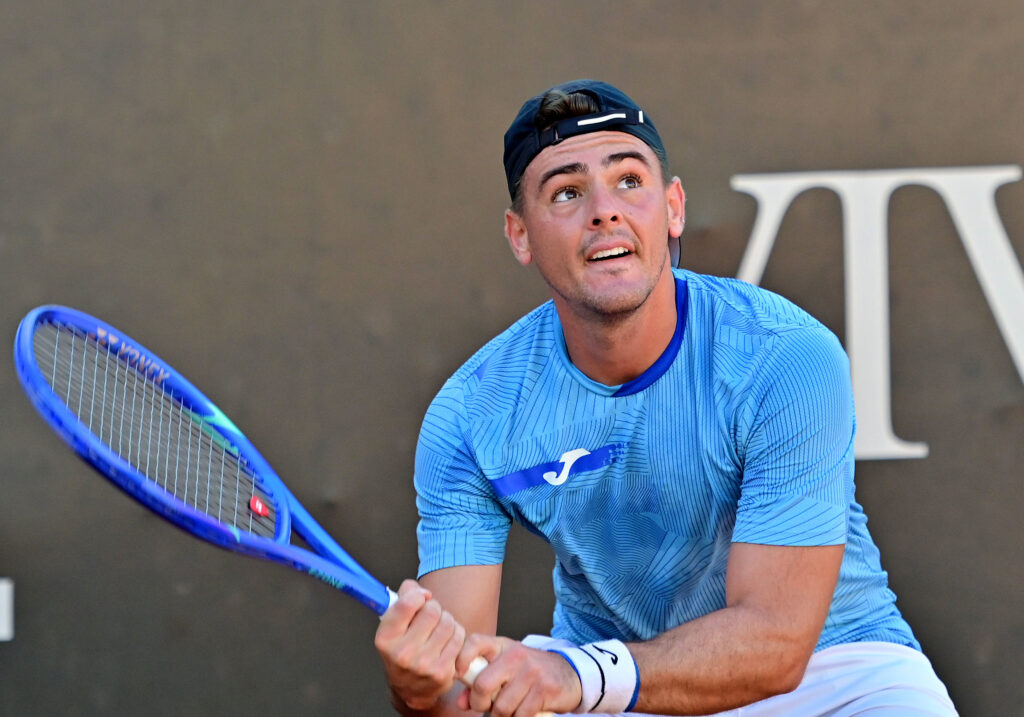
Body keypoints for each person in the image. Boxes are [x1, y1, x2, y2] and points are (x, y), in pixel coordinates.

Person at [375, 79, 957, 717]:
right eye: (566, 192)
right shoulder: (468, 415)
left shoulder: (785, 355)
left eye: (628, 180)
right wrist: (420, 689)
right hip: (607, 681)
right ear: (521, 236)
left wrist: (576, 675)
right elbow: (457, 688)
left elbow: (777, 645)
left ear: (673, 208)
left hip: (834, 672)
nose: (605, 211)